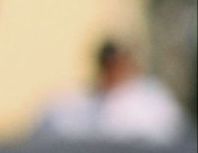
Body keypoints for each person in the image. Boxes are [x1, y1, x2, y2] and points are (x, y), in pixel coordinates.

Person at [33, 37, 190, 145]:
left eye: (119, 64)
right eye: (109, 64)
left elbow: (172, 136)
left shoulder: (153, 101)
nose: (114, 70)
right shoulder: (72, 102)